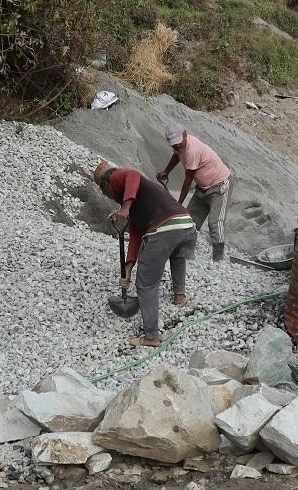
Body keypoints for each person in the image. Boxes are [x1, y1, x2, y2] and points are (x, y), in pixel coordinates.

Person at [94, 161, 197, 348]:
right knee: (177, 254)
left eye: (104, 192)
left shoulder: (116, 177)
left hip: (166, 226)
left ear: (106, 185)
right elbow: (135, 237)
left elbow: (132, 175)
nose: (108, 197)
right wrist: (127, 270)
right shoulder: (135, 206)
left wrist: (124, 208)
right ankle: (180, 296)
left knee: (146, 283)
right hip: (186, 225)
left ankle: (151, 338)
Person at [157, 124, 233, 262]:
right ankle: (187, 255)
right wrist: (166, 171)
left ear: (185, 135)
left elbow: (188, 181)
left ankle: (218, 260)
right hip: (203, 187)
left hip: (220, 186)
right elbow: (176, 156)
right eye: (174, 145)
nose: (176, 147)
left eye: (179, 144)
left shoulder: (192, 150)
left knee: (215, 223)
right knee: (190, 221)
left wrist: (179, 204)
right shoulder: (179, 147)